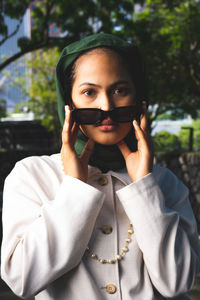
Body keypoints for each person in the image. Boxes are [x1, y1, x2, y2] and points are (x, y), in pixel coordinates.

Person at [1, 33, 199, 300]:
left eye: (120, 90)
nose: (106, 106)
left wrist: (144, 186)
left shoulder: (165, 182)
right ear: (69, 103)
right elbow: (22, 279)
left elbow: (177, 282)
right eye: (89, 92)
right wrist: (74, 186)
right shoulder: (32, 176)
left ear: (138, 99)